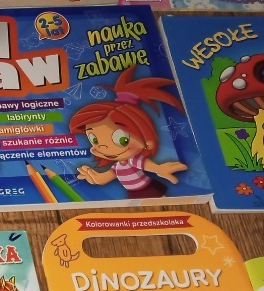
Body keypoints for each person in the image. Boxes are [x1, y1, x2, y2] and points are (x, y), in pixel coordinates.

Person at [69, 65, 187, 198]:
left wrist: (160, 169)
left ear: (147, 141)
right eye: (94, 140)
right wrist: (94, 178)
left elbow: (147, 165)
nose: (102, 147)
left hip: (148, 189)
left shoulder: (133, 160)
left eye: (122, 139)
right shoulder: (117, 166)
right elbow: (104, 178)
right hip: (134, 194)